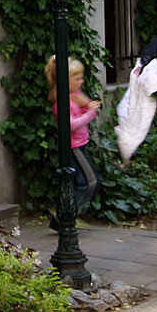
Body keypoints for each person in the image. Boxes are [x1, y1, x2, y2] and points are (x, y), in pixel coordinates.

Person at [45, 56, 102, 223]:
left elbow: (87, 104)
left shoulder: (75, 96)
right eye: (77, 79)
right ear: (66, 80)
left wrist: (87, 106)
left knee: (84, 182)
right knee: (89, 183)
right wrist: (90, 113)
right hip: (74, 146)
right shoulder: (61, 103)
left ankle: (64, 217)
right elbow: (70, 125)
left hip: (81, 144)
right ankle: (64, 217)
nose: (81, 82)